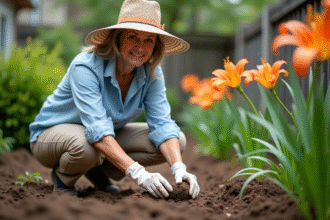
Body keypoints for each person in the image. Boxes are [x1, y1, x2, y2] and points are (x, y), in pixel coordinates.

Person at [29, 0, 200, 199]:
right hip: (51, 136)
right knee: (85, 147)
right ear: (117, 38)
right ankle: (63, 178)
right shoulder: (86, 67)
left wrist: (179, 168)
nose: (140, 47)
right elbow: (98, 131)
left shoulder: (152, 73)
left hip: (98, 136)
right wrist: (139, 174)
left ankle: (96, 171)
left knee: (176, 141)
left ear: (156, 46)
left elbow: (162, 123)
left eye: (149, 40)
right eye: (133, 37)